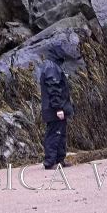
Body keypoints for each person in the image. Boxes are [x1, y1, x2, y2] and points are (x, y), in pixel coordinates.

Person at [39, 41, 74, 169]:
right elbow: (53, 89)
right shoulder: (51, 67)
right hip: (55, 109)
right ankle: (50, 162)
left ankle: (60, 160)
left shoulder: (52, 65)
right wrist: (58, 108)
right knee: (54, 134)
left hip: (57, 108)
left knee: (60, 134)